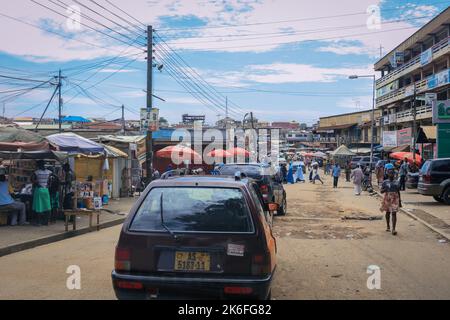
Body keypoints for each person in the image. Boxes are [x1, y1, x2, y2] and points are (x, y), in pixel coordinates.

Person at [380, 163, 402, 236]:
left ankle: (394, 229)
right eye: (390, 173)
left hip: (395, 198)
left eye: (392, 173)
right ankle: (388, 226)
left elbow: (398, 191)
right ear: (388, 174)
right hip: (387, 198)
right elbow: (381, 191)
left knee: (394, 213)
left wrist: (400, 201)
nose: (391, 174)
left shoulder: (396, 182)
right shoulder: (385, 182)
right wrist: (385, 189)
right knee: (388, 212)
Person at [31, 160, 52, 226]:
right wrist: (48, 185)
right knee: (47, 206)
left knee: (39, 206)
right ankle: (47, 222)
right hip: (46, 190)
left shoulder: (36, 172)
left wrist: (36, 183)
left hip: (39, 190)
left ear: (38, 165)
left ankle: (39, 222)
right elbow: (51, 179)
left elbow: (31, 179)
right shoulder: (49, 172)